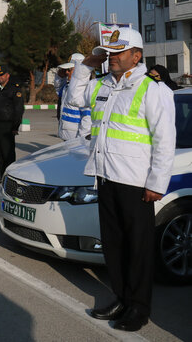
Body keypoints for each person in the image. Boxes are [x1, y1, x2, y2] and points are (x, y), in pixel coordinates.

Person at [67, 27, 175, 332]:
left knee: (137, 248)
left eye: (119, 52)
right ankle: (121, 298)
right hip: (106, 175)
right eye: (110, 52)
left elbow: (164, 139)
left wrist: (156, 183)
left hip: (136, 181)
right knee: (113, 245)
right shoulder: (103, 85)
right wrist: (87, 63)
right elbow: (74, 98)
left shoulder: (152, 89)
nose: (112, 57)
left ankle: (139, 308)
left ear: (136, 55)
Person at [54, 53, 91, 141]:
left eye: (69, 70)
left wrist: (81, 140)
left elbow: (87, 117)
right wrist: (59, 76)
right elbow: (58, 88)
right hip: (66, 135)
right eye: (66, 70)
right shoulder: (67, 86)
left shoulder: (84, 89)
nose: (67, 72)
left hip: (75, 137)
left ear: (80, 70)